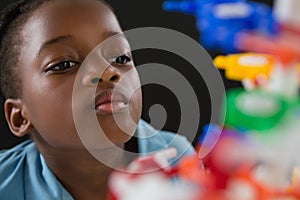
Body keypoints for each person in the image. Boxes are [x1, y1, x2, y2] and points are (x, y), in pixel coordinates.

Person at [0, 0, 195, 199]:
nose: (108, 71)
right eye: (65, 64)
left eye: (120, 58)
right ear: (20, 117)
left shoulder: (178, 159)